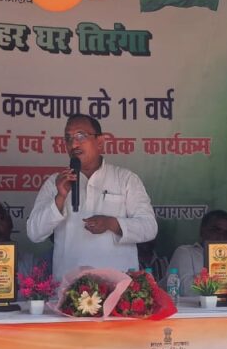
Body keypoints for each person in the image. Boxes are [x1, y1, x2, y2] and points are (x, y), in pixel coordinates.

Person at [27, 114, 157, 278]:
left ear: (100, 142)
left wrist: (112, 223)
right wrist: (60, 198)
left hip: (117, 286)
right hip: (69, 287)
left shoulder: (125, 179)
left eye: (81, 136)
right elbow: (34, 233)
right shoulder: (55, 183)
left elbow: (149, 227)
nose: (73, 144)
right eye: (68, 138)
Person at [169, 210, 227, 297]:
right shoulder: (185, 253)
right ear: (202, 231)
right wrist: (225, 272)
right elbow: (184, 290)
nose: (221, 237)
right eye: (216, 230)